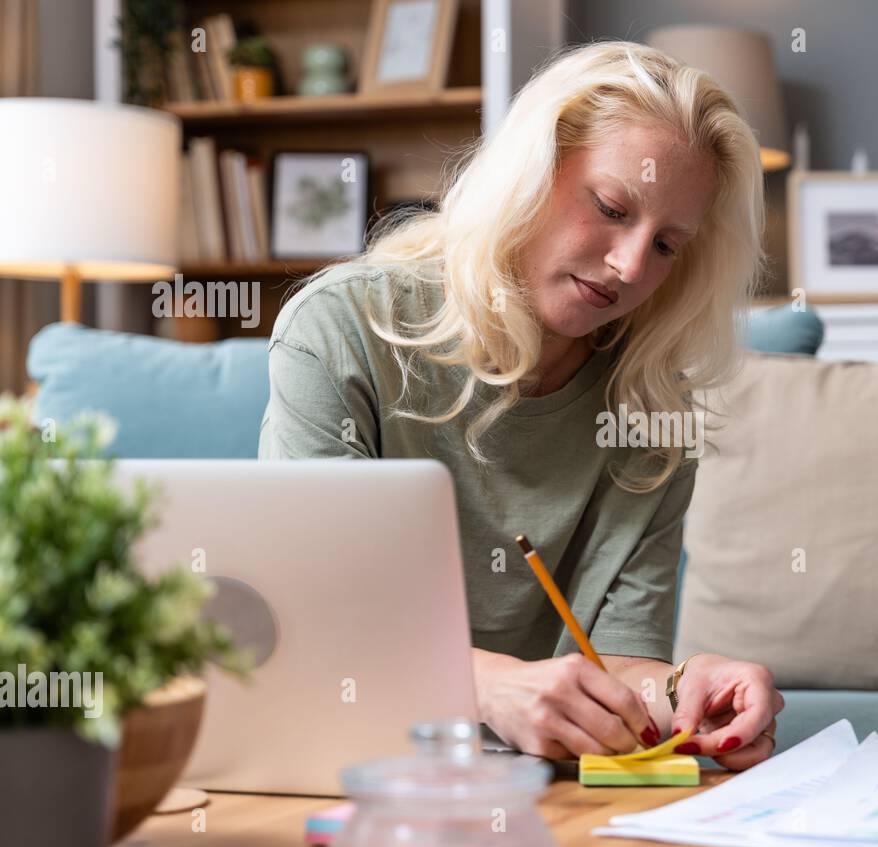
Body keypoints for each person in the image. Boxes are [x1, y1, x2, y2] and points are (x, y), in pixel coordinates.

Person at [259, 41, 783, 771]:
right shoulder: (340, 331)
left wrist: (684, 690)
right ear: (527, 173)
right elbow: (307, 614)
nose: (631, 266)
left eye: (666, 244)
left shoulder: (652, 405)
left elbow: (620, 672)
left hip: (525, 789)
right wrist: (481, 685)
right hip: (344, 753)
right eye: (610, 207)